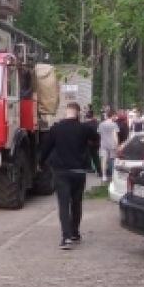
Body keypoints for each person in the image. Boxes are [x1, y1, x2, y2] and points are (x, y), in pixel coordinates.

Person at [39, 102, 100, 251]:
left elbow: (46, 148)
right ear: (78, 113)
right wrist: (90, 151)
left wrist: (40, 163)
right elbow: (96, 139)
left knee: (64, 204)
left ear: (66, 112)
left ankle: (66, 237)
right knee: (76, 203)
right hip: (79, 172)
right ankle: (75, 233)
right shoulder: (85, 129)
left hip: (61, 172)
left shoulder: (56, 129)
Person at [97, 111, 119, 184]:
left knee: (104, 160)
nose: (115, 118)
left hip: (103, 144)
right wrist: (117, 145)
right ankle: (113, 175)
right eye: (115, 116)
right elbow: (115, 135)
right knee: (112, 160)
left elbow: (99, 134)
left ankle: (104, 176)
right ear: (112, 116)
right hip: (112, 144)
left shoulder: (101, 124)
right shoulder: (114, 124)